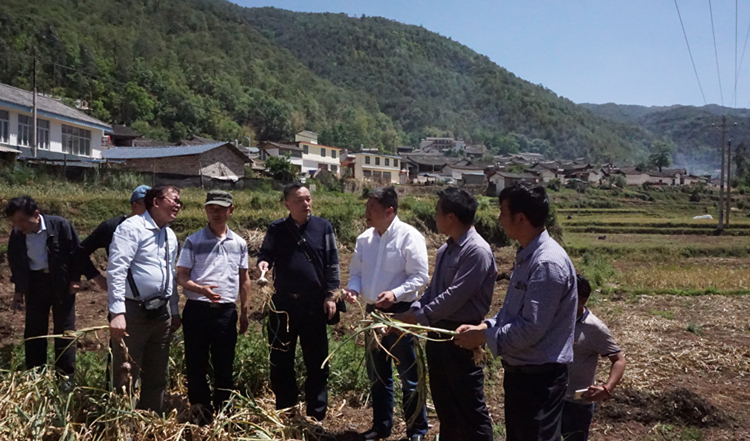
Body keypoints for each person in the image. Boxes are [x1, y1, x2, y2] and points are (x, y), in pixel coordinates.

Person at [454, 182, 577, 441]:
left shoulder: (546, 263)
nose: (499, 218)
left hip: (540, 381)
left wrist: (482, 337)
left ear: (520, 218)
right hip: (523, 377)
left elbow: (531, 328)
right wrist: (485, 327)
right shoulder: (527, 256)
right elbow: (510, 313)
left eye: (503, 211)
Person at [394, 187, 495, 441]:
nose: (435, 216)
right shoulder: (445, 250)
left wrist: (418, 317)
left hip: (463, 336)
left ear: (451, 217)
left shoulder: (477, 251)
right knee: (445, 402)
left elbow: (455, 296)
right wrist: (415, 310)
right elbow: (433, 290)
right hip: (437, 334)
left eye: (438, 211)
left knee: (469, 406)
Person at [344, 187, 429, 441]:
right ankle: (381, 427)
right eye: (367, 206)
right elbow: (356, 273)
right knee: (378, 375)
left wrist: (395, 293)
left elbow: (420, 276)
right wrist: (353, 289)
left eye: (372, 207)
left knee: (409, 377)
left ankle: (416, 431)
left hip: (402, 315)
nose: (367, 212)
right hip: (373, 316)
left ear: (389, 211)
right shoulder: (364, 239)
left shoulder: (409, 237)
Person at [257, 182, 340, 421]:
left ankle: (316, 415)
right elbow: (265, 254)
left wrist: (331, 295)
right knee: (280, 359)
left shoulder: (324, 227)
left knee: (317, 361)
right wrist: (263, 263)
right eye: (300, 200)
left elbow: (333, 263)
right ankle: (286, 411)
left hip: (313, 304)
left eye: (308, 199)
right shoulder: (276, 229)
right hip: (283, 305)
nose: (306, 203)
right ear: (287, 204)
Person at [176, 190, 251, 425]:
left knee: (224, 363)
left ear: (231, 210)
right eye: (211, 208)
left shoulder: (239, 243)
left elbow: (244, 278)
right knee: (196, 363)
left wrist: (245, 312)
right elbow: (181, 276)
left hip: (226, 312)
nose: (215, 213)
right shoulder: (193, 241)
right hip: (198, 310)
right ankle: (201, 412)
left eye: (221, 209)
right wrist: (200, 289)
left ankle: (224, 412)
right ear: (206, 210)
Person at [107, 185, 182, 414]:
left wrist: (174, 309)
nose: (178, 204)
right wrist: (117, 312)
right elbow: (116, 270)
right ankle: (123, 424)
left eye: (179, 201)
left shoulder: (169, 234)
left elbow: (170, 274)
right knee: (126, 371)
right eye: (173, 199)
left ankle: (151, 421)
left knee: (158, 372)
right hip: (133, 311)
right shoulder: (131, 228)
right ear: (156, 202)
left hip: (161, 311)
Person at [7, 196, 82, 376]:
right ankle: (35, 375)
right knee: (34, 330)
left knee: (64, 331)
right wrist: (19, 290)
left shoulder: (60, 226)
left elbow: (76, 252)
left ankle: (65, 376)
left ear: (36, 215)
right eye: (15, 222)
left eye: (22, 221)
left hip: (61, 283)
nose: (18, 226)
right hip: (34, 283)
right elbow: (16, 262)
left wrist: (75, 279)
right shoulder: (17, 235)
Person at [561, 275, 626, 441]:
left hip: (577, 403)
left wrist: (606, 389)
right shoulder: (555, 319)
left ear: (583, 299)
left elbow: (619, 360)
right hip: (550, 397)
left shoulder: (594, 328)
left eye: (569, 296)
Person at [73, 185, 150, 291]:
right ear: (135, 206)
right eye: (148, 205)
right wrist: (99, 279)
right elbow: (80, 253)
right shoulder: (111, 227)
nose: (152, 210)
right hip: (123, 293)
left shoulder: (159, 230)